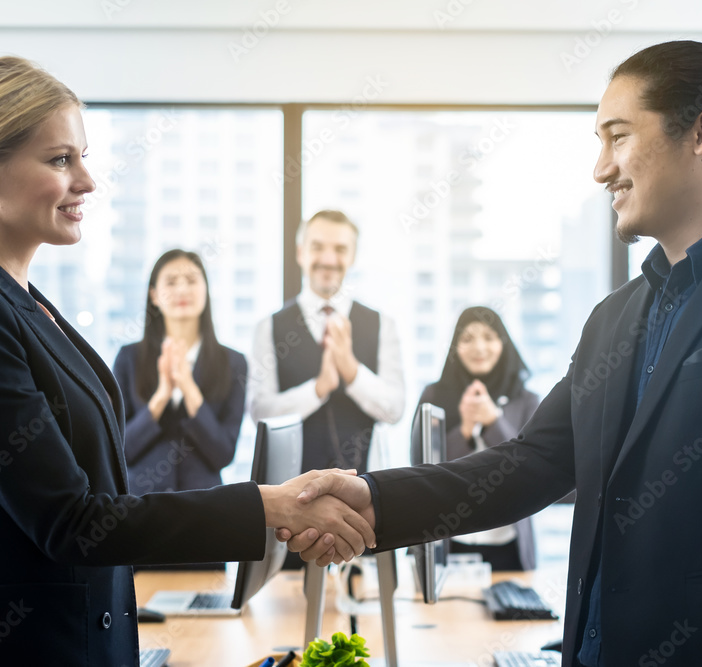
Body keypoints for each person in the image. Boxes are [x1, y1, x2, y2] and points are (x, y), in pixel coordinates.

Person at [285, 40, 702, 667]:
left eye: (618, 137)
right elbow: (530, 463)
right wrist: (371, 498)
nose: (601, 169)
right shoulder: (615, 317)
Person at [0, 56, 372, 666]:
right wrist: (263, 505)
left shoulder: (24, 302)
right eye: (61, 159)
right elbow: (69, 520)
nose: (87, 181)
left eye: (82, 156)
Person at [248, 210, 404, 474]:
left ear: (353, 256)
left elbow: (394, 409)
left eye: (340, 249)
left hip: (363, 486)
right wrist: (318, 389)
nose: (329, 259)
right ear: (300, 253)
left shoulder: (382, 324)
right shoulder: (269, 327)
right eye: (317, 247)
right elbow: (259, 412)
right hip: (291, 489)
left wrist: (351, 370)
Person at [414, 306, 539, 571]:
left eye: (488, 337)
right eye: (467, 338)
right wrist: (465, 429)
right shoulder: (433, 397)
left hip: (508, 545)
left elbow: (530, 468)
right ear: (455, 347)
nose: (478, 347)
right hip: (448, 541)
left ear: (503, 343)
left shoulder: (527, 400)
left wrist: (494, 421)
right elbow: (422, 470)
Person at [113, 249, 246, 494]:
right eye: (171, 282)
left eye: (192, 281)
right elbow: (119, 450)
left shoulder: (233, 362)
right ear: (154, 295)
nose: (182, 290)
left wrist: (188, 388)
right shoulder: (128, 358)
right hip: (141, 506)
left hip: (206, 505)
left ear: (206, 290)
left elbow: (223, 453)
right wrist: (161, 396)